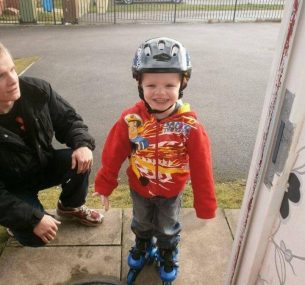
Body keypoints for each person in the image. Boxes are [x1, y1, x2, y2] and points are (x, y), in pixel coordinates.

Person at [94, 37, 217, 282]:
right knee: (140, 221)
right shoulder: (131, 120)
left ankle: (167, 250)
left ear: (183, 83)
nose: (160, 93)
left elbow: (202, 168)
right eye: (151, 85)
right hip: (140, 187)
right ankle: (141, 243)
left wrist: (205, 205)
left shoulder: (189, 126)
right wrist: (105, 184)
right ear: (139, 84)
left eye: (169, 85)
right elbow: (113, 153)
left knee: (168, 226)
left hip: (172, 191)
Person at [0, 42, 103, 247]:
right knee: (37, 236)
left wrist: (82, 144)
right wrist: (32, 218)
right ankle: (15, 223)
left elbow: (70, 120)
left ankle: (69, 207)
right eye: (0, 76)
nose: (13, 80)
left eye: (12, 69)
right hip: (11, 188)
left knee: (81, 158)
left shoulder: (36, 91)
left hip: (42, 164)